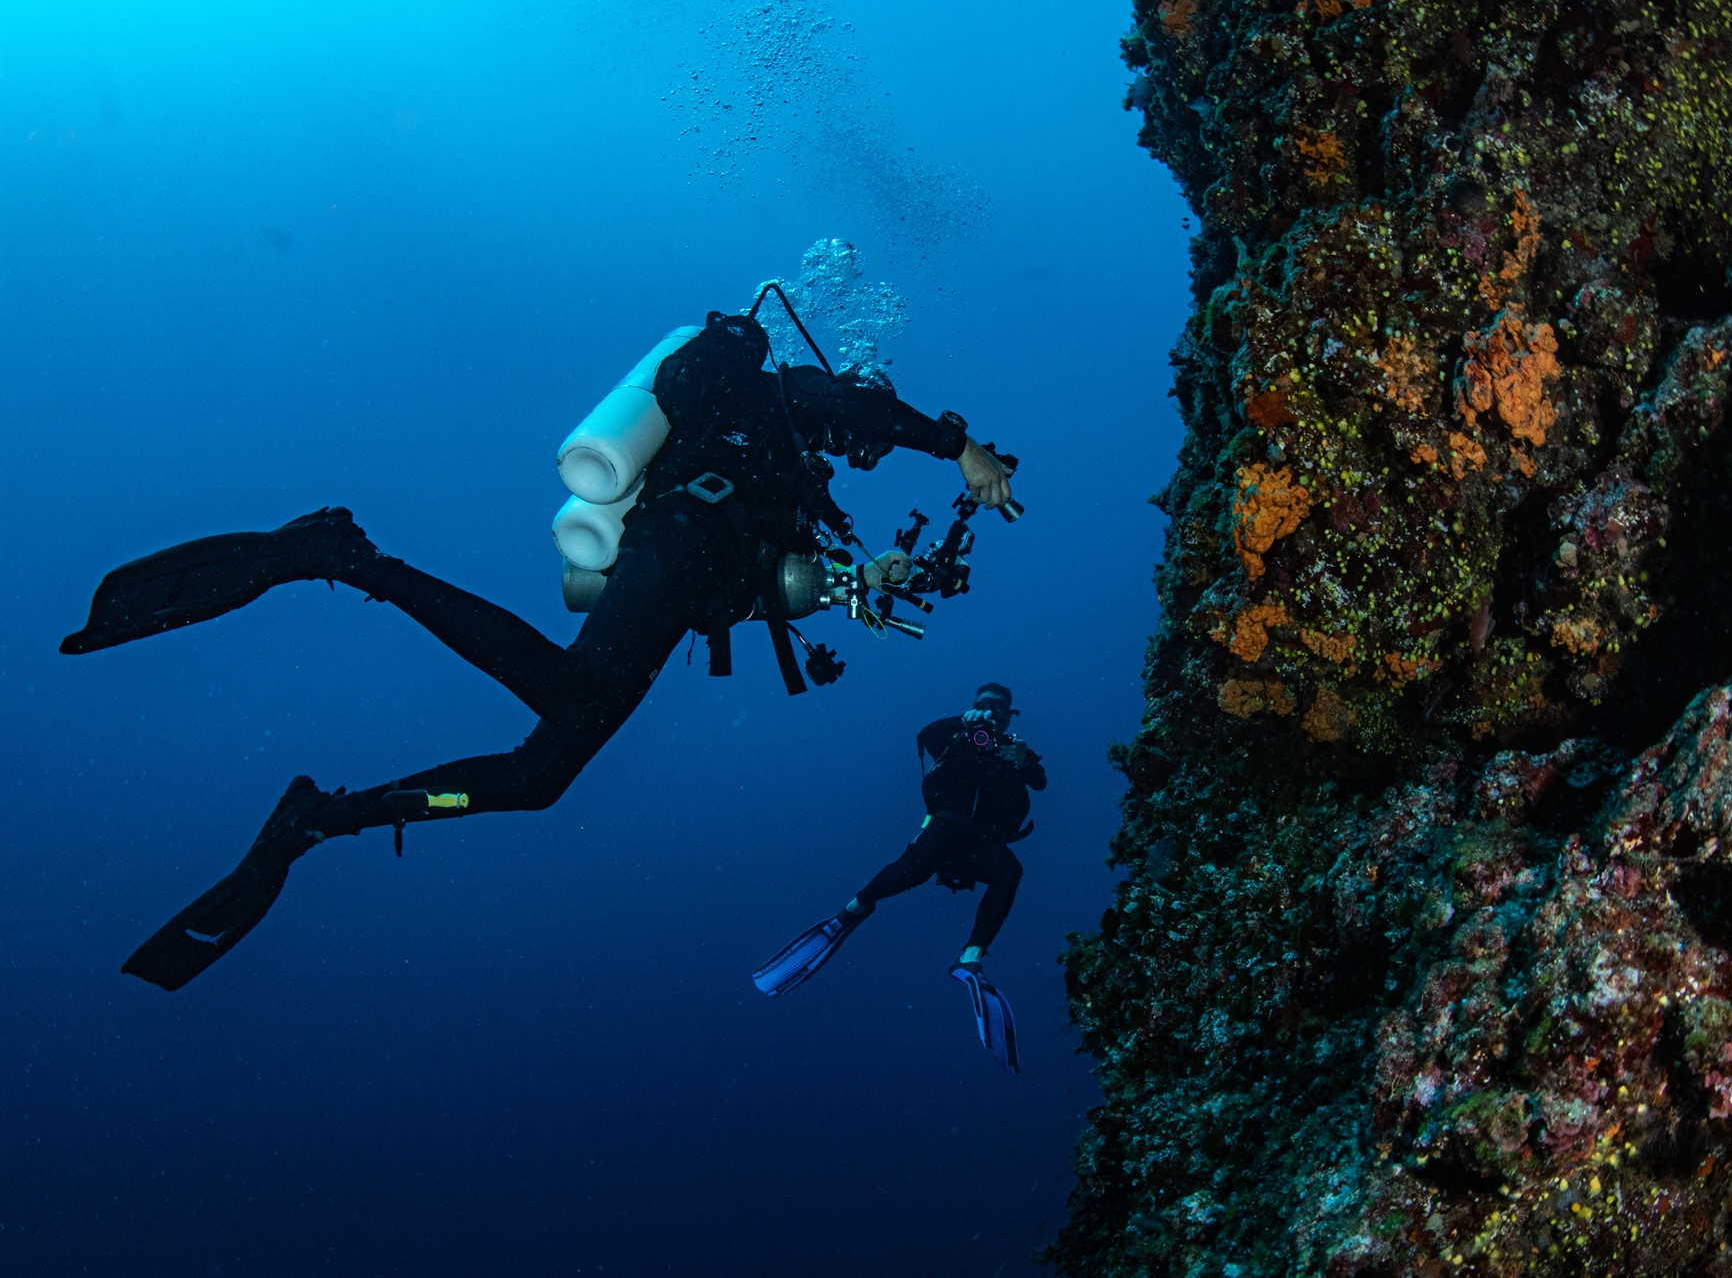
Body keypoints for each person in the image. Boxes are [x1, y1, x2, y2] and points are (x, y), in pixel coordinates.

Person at [61, 312, 1013, 991]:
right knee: (570, 695)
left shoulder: (788, 453)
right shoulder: (788, 399)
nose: (863, 444)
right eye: (863, 415)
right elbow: (863, 423)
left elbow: (787, 574)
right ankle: (343, 556)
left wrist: (864, 578)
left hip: (693, 566)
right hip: (682, 539)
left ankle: (330, 817)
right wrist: (954, 445)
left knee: (541, 772)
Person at [752, 683, 1044, 1072]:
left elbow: (1040, 780)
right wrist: (962, 722)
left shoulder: (1014, 749)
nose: (991, 715)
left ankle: (971, 957)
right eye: (983, 707)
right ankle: (852, 910)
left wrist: (1022, 760)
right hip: (945, 828)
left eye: (1000, 710)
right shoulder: (953, 734)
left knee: (1010, 871)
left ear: (1011, 716)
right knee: (913, 870)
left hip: (984, 842)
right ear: (972, 707)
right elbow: (925, 735)